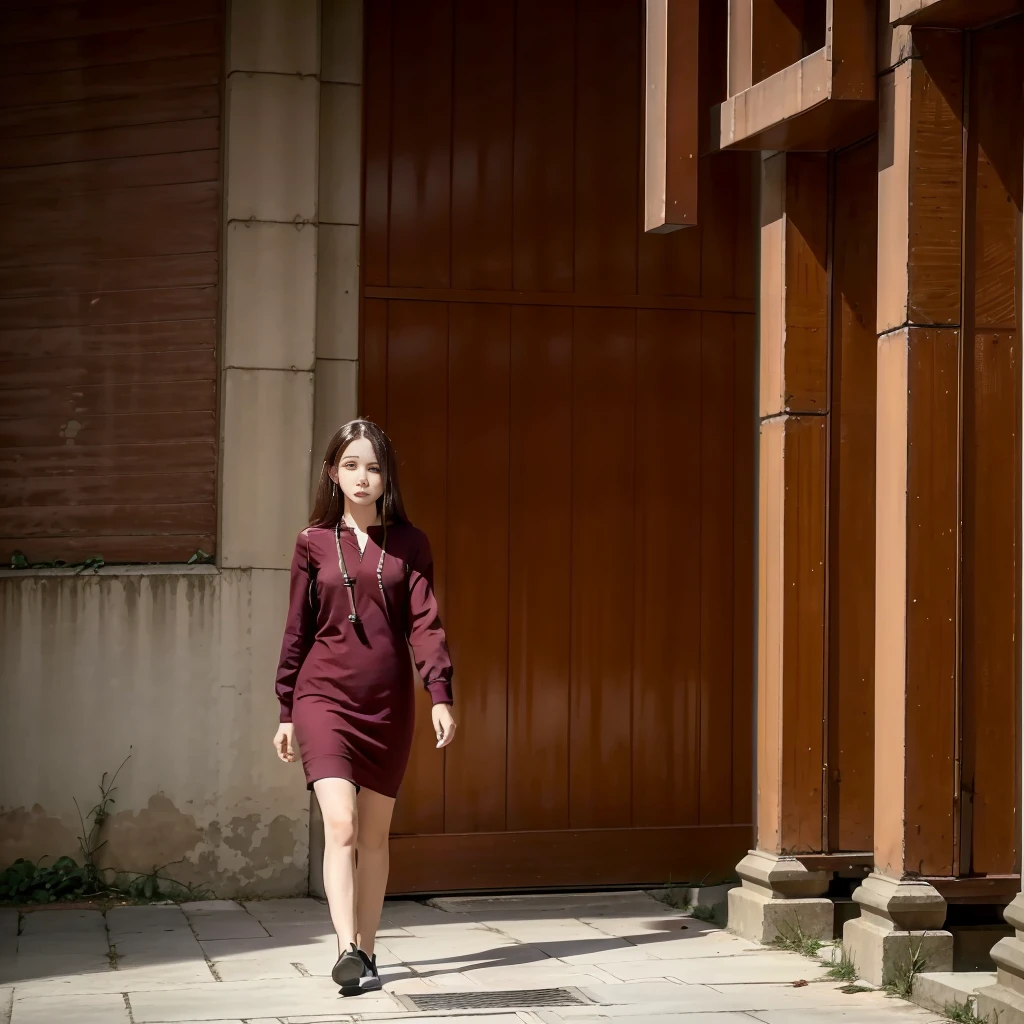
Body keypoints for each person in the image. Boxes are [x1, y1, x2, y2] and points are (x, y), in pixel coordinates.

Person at [272, 419, 456, 995]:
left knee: (376, 838)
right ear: (332, 472)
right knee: (343, 825)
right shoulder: (312, 542)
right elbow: (296, 631)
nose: (362, 476)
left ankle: (367, 954)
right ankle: (346, 946)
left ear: (386, 478)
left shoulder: (411, 544)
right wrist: (284, 708)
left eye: (373, 467)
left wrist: (440, 694)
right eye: (350, 464)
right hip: (321, 696)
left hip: (388, 704)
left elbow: (425, 625)